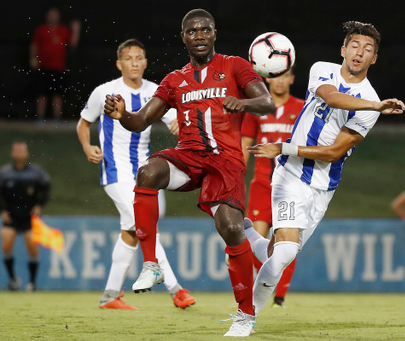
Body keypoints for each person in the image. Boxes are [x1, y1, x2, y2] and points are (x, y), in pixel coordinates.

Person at [103, 9, 274, 337]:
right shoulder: (174, 80)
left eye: (205, 30)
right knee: (148, 172)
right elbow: (139, 122)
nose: (199, 35)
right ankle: (151, 264)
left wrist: (244, 103)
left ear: (214, 34)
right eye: (192, 31)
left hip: (225, 161)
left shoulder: (234, 65)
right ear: (183, 37)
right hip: (190, 157)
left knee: (229, 227)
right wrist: (122, 114)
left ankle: (245, 315)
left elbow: (266, 102)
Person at [245, 21, 405, 322]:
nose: (359, 53)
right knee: (282, 255)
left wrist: (284, 146)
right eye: (355, 46)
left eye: (368, 49)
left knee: (276, 251)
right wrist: (375, 105)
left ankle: (247, 233)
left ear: (374, 59)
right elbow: (331, 97)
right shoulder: (323, 70)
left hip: (322, 188)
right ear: (343, 50)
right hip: (290, 174)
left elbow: (333, 153)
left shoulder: (371, 106)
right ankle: (246, 316)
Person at [77, 39, 195, 310]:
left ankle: (110, 295)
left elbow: (173, 118)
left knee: (132, 232)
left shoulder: (155, 91)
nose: (134, 62)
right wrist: (87, 146)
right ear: (119, 64)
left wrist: (179, 123)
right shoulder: (105, 92)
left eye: (139, 57)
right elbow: (84, 123)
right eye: (128, 58)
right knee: (145, 226)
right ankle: (176, 290)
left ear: (145, 62)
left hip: (145, 174)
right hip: (115, 170)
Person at [240, 69, 303, 308]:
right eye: (275, 75)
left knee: (287, 241)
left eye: (284, 75)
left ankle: (279, 296)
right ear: (267, 77)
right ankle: (267, 281)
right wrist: (236, 177)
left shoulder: (301, 108)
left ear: (291, 79)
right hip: (261, 185)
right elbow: (244, 146)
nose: (279, 80)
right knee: (256, 239)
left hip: (291, 186)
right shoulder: (257, 109)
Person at [0, 141, 51, 291]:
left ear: (27, 153)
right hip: (11, 215)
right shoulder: (5, 173)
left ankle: (32, 283)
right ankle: (13, 280)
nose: (19, 153)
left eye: (22, 150)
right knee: (6, 245)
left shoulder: (36, 172)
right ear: (12, 153)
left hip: (29, 216)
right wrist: (3, 210)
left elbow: (46, 189)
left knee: (32, 247)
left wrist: (39, 205)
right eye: (17, 150)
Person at [30, 7, 81, 121]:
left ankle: (57, 118)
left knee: (57, 94)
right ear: (47, 16)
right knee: (41, 93)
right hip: (43, 67)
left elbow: (73, 44)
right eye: (50, 15)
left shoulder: (63, 30)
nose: (53, 17)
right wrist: (33, 61)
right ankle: (40, 117)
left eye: (55, 15)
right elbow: (34, 46)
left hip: (59, 67)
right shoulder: (41, 30)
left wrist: (76, 30)